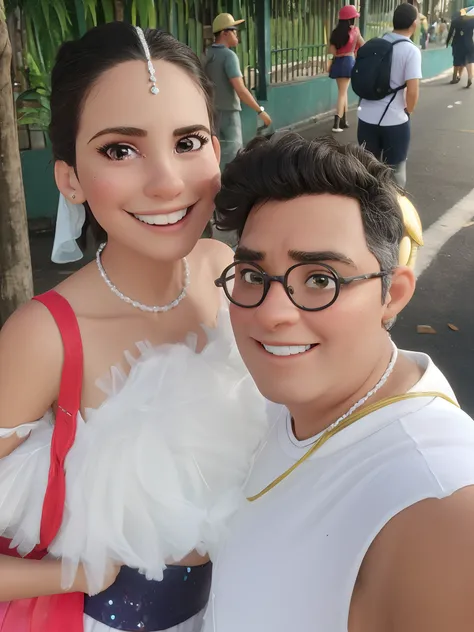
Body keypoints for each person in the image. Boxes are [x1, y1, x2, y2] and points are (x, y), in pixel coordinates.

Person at [0, 22, 267, 632]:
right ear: (68, 178)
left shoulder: (228, 274)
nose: (168, 181)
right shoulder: (44, 336)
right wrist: (74, 574)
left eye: (189, 140)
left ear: (217, 152)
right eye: (121, 149)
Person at [204, 133, 474, 632]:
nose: (273, 313)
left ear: (392, 295)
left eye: (321, 279)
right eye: (252, 274)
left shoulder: (439, 507)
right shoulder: (277, 405)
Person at [357, 3, 422, 190]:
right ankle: (393, 213)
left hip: (366, 117)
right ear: (413, 24)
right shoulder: (411, 51)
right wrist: (408, 111)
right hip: (395, 120)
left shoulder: (376, 43)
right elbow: (412, 91)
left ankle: (368, 211)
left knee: (367, 169)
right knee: (395, 172)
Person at [204, 13, 272, 167]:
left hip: (210, 113)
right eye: (233, 30)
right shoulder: (229, 56)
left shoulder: (207, 54)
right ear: (224, 33)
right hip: (228, 114)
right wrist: (260, 111)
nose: (236, 34)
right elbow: (241, 90)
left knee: (214, 155)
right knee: (233, 157)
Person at [328, 5, 364, 133]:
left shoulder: (335, 32)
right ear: (350, 19)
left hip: (338, 62)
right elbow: (363, 44)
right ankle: (337, 123)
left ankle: (343, 120)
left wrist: (331, 61)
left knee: (343, 91)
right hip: (349, 62)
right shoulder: (355, 31)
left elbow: (331, 51)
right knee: (342, 93)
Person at [446, 10, 474, 88]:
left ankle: (455, 78)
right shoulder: (471, 20)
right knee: (468, 61)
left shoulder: (455, 21)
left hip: (457, 43)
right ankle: (469, 77)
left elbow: (451, 32)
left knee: (457, 60)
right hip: (469, 43)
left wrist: (447, 42)